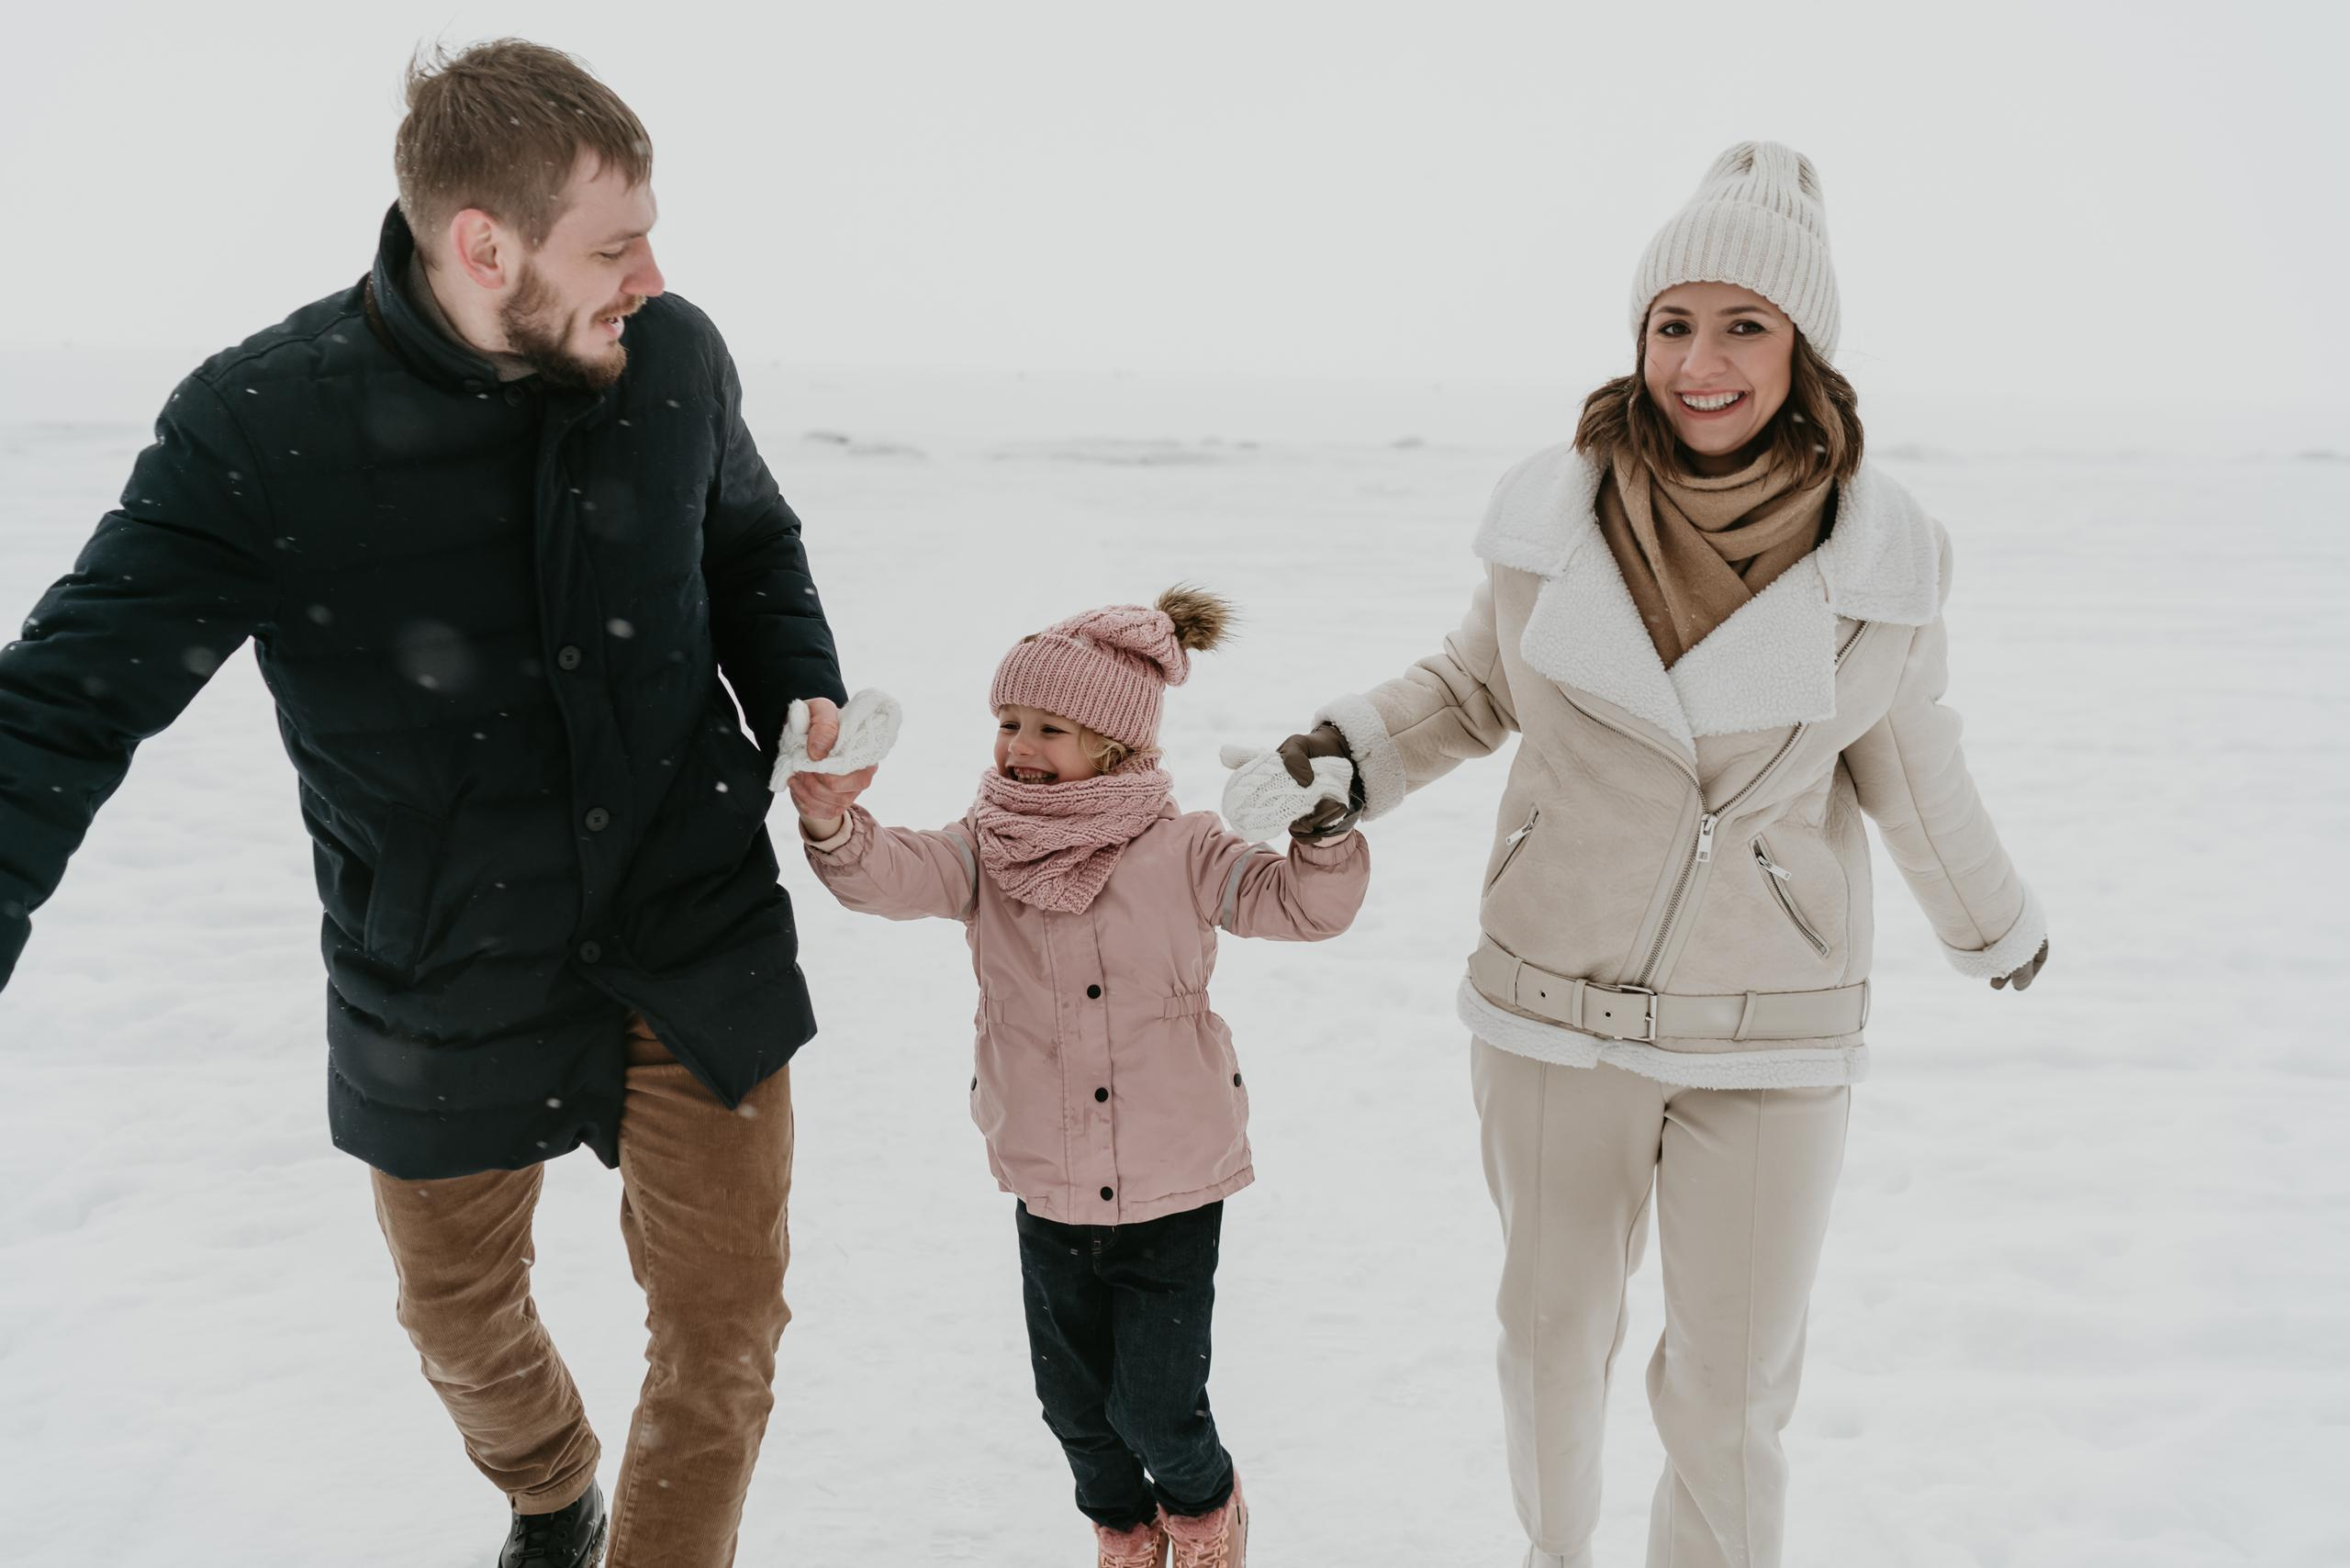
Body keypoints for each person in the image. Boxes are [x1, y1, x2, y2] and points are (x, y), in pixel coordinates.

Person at [0, 39, 868, 1568]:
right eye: (615, 243)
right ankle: (549, 1487)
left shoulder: (670, 359)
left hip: (690, 917)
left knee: (725, 1333)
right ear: (485, 245)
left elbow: (749, 535)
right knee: (458, 1320)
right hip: (439, 957)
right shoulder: (258, 427)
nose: (652, 273)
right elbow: (59, 702)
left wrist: (801, 681)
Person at [1270, 142, 2050, 1568]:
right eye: (1673, 323)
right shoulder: (1549, 522)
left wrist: (1991, 924)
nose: (1703, 360)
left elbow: (1911, 758)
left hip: (1775, 1024)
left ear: (1803, 350)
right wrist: (1342, 756)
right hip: (1555, 1009)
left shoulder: (1885, 560)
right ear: (1637, 340)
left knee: (1734, 1391)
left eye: (1745, 324)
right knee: (1549, 1352)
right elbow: (1470, 689)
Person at [789, 588, 1369, 1568]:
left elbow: (1300, 909)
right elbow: (896, 874)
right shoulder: (987, 845)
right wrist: (840, 830)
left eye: (1049, 727)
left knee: (1155, 1403)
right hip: (1048, 1175)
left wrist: (1321, 838)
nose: (1019, 742)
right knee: (1075, 1409)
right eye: (1009, 721)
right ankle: (1123, 1531)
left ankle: (1203, 1511)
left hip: (1174, 1177)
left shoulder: (1184, 847)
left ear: (1113, 743)